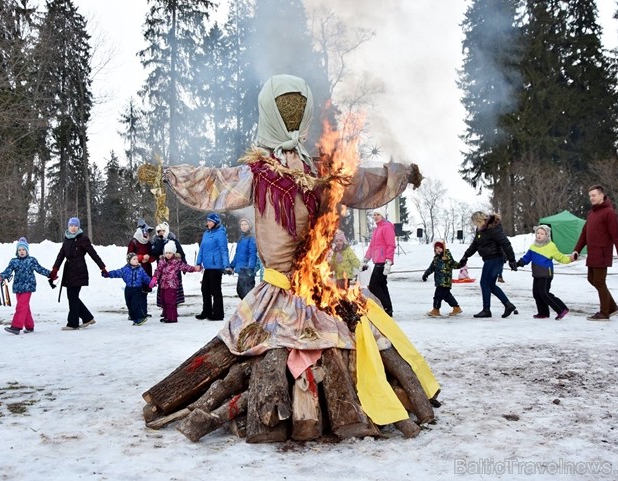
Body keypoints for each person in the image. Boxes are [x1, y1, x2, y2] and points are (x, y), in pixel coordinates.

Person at [158, 75, 437, 426]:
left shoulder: (316, 168)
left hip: (319, 283)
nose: (293, 115)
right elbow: (214, 181)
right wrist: (170, 174)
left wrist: (398, 174)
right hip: (280, 288)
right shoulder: (258, 174)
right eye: (285, 108)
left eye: (298, 107)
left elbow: (360, 180)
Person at [572, 185, 618, 320]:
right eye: (590, 196)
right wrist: (576, 250)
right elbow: (584, 234)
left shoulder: (609, 213)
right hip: (592, 253)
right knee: (592, 279)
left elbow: (615, 235)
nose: (591, 198)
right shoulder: (591, 213)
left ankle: (605, 312)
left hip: (602, 253)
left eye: (594, 195)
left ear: (602, 195)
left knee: (600, 281)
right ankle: (612, 307)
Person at [50, 217, 107, 330]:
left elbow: (93, 254)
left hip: (79, 270)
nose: (73, 227)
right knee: (72, 297)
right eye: (71, 225)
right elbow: (61, 255)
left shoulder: (83, 239)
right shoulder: (67, 239)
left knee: (73, 297)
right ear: (68, 226)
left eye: (75, 225)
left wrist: (102, 267)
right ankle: (87, 318)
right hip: (69, 271)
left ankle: (73, 323)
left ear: (78, 227)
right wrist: (55, 269)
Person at [459, 211, 518, 318]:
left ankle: (486, 310)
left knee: (484, 283)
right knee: (490, 285)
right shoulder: (480, 230)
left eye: (476, 223)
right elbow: (475, 245)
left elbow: (506, 243)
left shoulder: (493, 228)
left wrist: (512, 259)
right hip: (489, 259)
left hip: (495, 258)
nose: (475, 225)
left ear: (480, 220)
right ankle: (508, 305)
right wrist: (465, 256)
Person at [0, 237, 52, 334]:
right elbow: (8, 271)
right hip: (18, 287)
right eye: (19, 250)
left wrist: (51, 274)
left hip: (28, 287)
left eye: (23, 249)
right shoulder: (14, 261)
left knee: (21, 306)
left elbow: (40, 269)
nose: (21, 252)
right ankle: (29, 326)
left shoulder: (31, 260)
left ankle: (16, 326)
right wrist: (0, 277)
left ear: (27, 250)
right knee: (24, 307)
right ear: (17, 251)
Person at [516, 225, 571, 320]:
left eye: (542, 234)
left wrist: (570, 259)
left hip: (546, 273)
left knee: (544, 293)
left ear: (547, 235)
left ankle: (561, 309)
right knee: (536, 293)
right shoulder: (533, 246)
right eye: (538, 233)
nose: (539, 235)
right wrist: (518, 264)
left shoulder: (551, 246)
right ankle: (543, 313)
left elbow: (560, 257)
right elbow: (527, 258)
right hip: (537, 273)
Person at [149, 242, 201, 323]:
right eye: (166, 253)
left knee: (170, 302)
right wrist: (154, 279)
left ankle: (172, 318)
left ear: (173, 253)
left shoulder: (176, 262)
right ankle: (166, 316)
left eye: (170, 253)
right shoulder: (162, 262)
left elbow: (185, 267)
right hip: (163, 285)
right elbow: (158, 271)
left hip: (172, 285)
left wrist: (195, 268)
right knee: (164, 301)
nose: (168, 255)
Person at [195, 212, 229, 321]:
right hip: (207, 267)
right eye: (208, 221)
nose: (208, 223)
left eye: (210, 221)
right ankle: (206, 311)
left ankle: (218, 314)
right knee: (205, 289)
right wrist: (198, 262)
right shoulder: (206, 233)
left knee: (215, 290)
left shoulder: (220, 233)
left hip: (216, 266)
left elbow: (224, 250)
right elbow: (202, 249)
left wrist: (226, 265)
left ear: (215, 222)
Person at [362, 211, 396, 317]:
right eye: (374, 215)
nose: (376, 217)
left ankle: (386, 307)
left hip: (383, 262)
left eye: (378, 214)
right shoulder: (377, 229)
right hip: (377, 261)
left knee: (373, 286)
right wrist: (366, 259)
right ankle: (388, 309)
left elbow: (391, 245)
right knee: (382, 285)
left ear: (383, 216)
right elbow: (372, 247)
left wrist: (388, 261)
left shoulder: (387, 227)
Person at [103, 253, 152, 326]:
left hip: (137, 289)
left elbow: (146, 278)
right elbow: (116, 273)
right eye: (134, 259)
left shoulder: (140, 269)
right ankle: (134, 317)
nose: (136, 261)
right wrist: (107, 274)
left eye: (137, 259)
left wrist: (151, 283)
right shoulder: (125, 269)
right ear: (129, 260)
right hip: (128, 289)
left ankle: (141, 317)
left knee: (135, 303)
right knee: (129, 303)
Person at [422, 239, 463, 317]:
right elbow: (431, 268)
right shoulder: (436, 258)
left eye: (439, 248)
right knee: (446, 296)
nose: (438, 250)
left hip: (445, 281)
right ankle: (456, 307)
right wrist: (426, 274)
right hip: (439, 281)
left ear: (443, 248)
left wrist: (461, 264)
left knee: (437, 296)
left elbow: (454, 264)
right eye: (436, 248)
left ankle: (436, 310)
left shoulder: (447, 256)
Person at [151, 221, 187, 310]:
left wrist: (184, 265)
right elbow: (154, 252)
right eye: (159, 231)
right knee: (163, 290)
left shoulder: (173, 240)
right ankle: (164, 309)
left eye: (163, 230)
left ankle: (173, 308)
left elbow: (181, 253)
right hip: (162, 269)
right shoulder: (156, 241)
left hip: (174, 269)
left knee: (174, 288)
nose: (161, 233)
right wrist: (160, 241)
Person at [228, 218, 258, 299]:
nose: (243, 226)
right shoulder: (241, 238)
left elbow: (253, 254)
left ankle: (250, 310)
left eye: (245, 224)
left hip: (247, 270)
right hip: (241, 270)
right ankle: (246, 310)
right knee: (240, 291)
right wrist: (231, 266)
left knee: (247, 293)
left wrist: (250, 268)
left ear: (249, 226)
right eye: (242, 225)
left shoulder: (252, 238)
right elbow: (237, 254)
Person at [127, 218, 156, 286]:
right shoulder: (134, 242)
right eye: (146, 232)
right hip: (135, 271)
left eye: (148, 232)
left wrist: (149, 258)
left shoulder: (148, 243)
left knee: (145, 292)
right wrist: (142, 257)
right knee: (136, 291)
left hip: (147, 271)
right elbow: (129, 257)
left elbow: (153, 256)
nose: (147, 234)